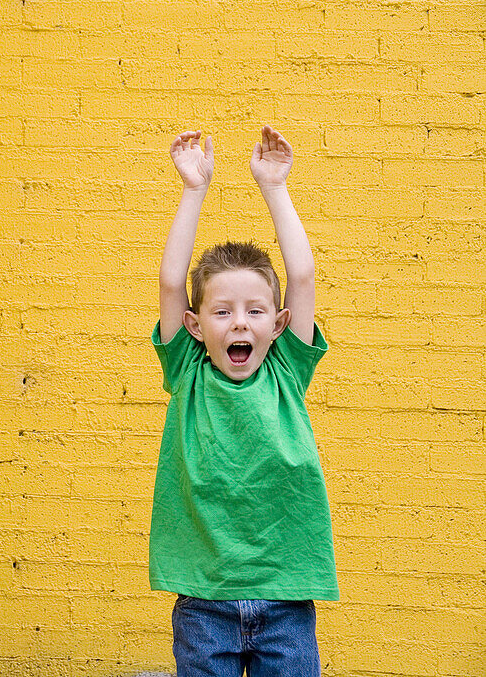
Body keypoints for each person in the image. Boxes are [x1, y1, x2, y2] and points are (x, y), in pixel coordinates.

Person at [151, 127, 337, 675]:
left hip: (286, 601)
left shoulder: (285, 369)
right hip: (204, 603)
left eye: (255, 311)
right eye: (223, 310)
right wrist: (193, 190)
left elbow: (301, 276)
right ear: (195, 324)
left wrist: (275, 186)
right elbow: (169, 282)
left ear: (278, 324)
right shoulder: (187, 369)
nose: (239, 321)